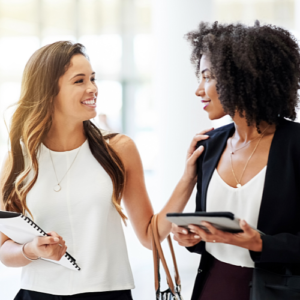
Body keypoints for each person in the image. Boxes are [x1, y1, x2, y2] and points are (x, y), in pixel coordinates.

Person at [0, 41, 208, 300]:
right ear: (48, 91)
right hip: (37, 293)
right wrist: (32, 249)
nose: (93, 88)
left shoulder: (118, 149)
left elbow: (149, 235)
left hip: (107, 293)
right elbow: (4, 250)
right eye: (79, 81)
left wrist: (188, 178)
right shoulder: (19, 159)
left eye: (93, 78)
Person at [171, 21, 300, 300]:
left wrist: (261, 243)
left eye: (208, 77)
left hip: (276, 291)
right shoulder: (209, 145)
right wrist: (191, 239)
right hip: (214, 285)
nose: (198, 90)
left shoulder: (295, 145)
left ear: (240, 78)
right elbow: (209, 231)